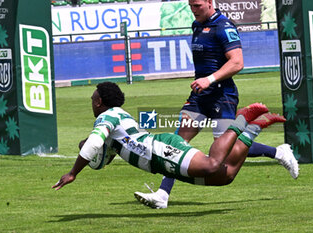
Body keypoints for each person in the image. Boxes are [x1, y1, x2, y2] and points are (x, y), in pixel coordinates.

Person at [133, 0, 299, 209]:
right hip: (199, 95)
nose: (194, 10)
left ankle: (278, 152)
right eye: (191, 6)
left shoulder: (224, 26)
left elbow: (237, 62)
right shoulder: (197, 25)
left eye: (198, 5)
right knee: (175, 141)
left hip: (222, 94)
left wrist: (209, 79)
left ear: (210, 3)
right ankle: (163, 194)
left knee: (226, 150)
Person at [52, 82, 286, 192]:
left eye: (93, 99)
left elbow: (94, 142)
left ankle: (242, 118)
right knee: (225, 176)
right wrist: (90, 151)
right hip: (158, 161)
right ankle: (254, 127)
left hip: (160, 150)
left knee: (212, 164)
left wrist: (73, 173)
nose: (92, 103)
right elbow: (100, 156)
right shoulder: (116, 119)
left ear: (99, 102)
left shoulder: (108, 116)